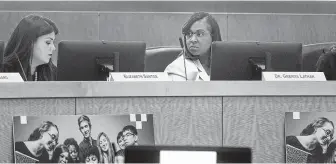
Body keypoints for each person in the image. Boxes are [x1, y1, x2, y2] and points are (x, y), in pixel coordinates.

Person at [164, 12, 222, 81]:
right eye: (189, 34)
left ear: (213, 37)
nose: (193, 40)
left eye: (200, 34)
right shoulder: (176, 69)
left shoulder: (226, 64)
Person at [1, 14, 59, 81]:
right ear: (29, 42)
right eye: (48, 42)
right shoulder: (4, 70)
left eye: (53, 43)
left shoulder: (53, 72)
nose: (53, 48)